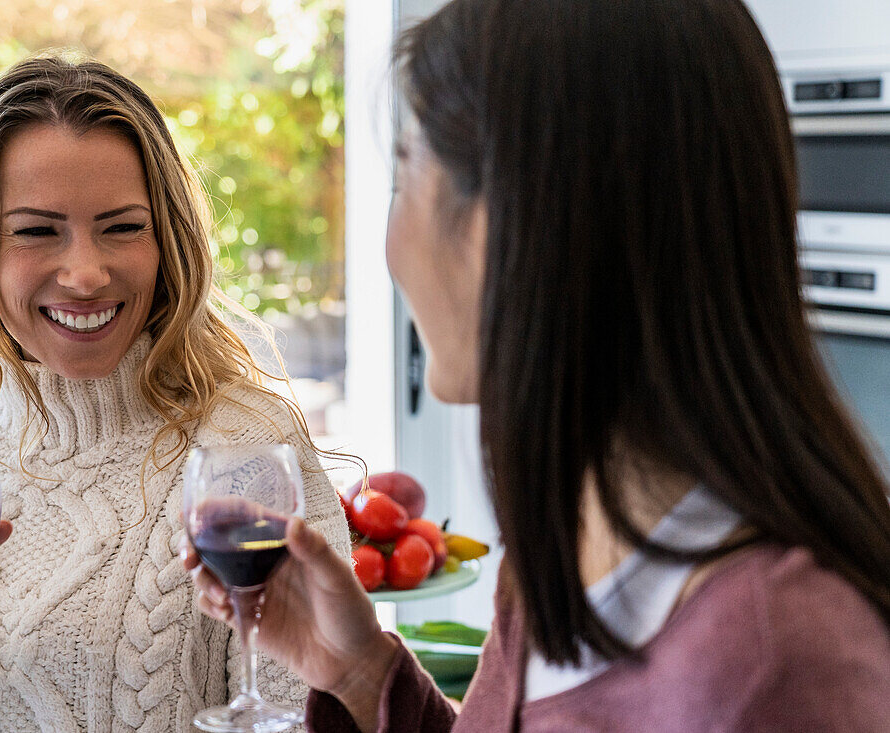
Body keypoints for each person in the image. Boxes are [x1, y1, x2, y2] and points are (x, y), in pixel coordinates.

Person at [184, 0, 890, 730]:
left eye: (404, 173)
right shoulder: (567, 546)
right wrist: (362, 670)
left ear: (504, 227)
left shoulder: (776, 664)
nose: (390, 250)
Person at [0, 53, 349, 732]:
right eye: (36, 231)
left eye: (121, 227)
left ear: (167, 241)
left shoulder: (247, 445)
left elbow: (309, 711)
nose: (85, 273)